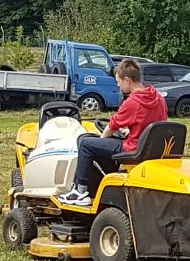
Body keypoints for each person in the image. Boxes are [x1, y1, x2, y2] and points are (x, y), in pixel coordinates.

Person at [57, 58, 167, 207]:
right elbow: (153, 123)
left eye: (118, 81)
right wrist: (130, 130)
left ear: (127, 80)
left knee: (85, 143)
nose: (118, 85)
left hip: (134, 149)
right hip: (152, 148)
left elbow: (111, 127)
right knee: (99, 144)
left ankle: (80, 191)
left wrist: (101, 140)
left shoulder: (133, 102)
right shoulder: (158, 98)